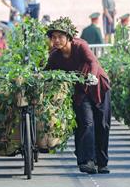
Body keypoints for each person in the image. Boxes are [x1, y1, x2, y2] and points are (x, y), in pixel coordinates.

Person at [45, 17, 111, 174]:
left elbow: (93, 62)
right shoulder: (55, 56)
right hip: (81, 92)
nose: (56, 40)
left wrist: (92, 75)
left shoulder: (80, 46)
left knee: (102, 125)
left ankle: (101, 162)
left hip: (98, 87)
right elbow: (46, 72)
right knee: (86, 123)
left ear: (69, 37)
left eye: (60, 37)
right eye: (53, 37)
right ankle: (87, 161)